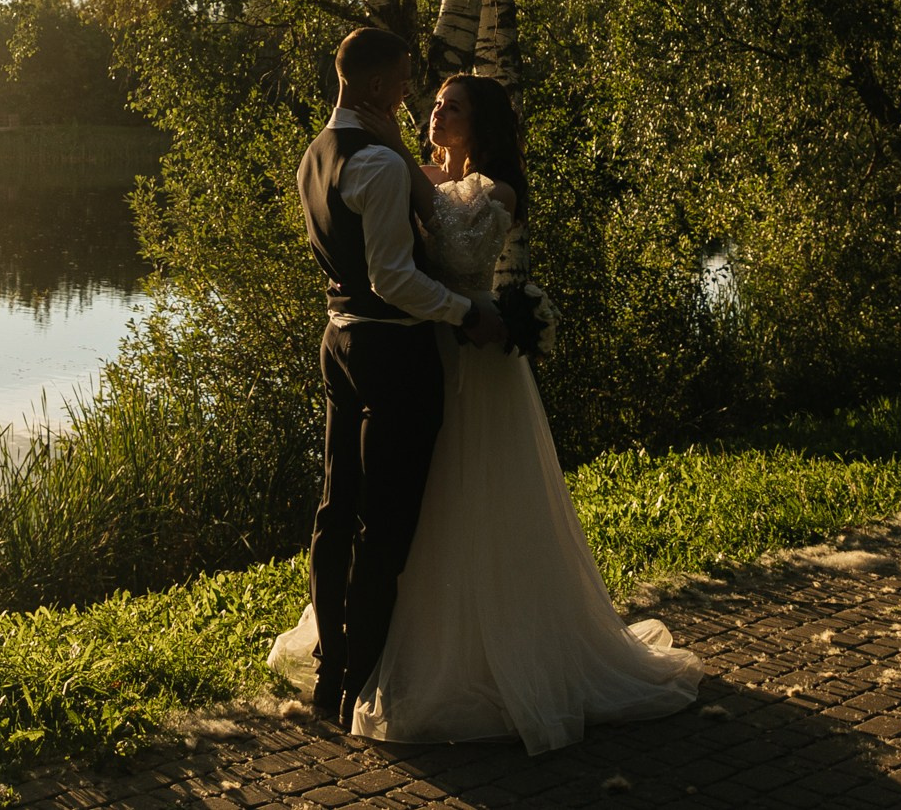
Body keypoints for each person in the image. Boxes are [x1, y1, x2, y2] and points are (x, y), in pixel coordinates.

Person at [275, 66, 703, 753]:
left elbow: (459, 245)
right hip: (419, 346)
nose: (437, 114)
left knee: (474, 495)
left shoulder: (493, 188)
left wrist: (405, 165)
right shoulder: (406, 172)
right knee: (414, 504)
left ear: (481, 124)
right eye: (437, 104)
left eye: (454, 108)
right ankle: (387, 646)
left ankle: (484, 649)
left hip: (472, 352)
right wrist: (404, 165)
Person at [290, 27, 509, 730]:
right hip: (393, 352)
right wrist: (465, 312)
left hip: (338, 340)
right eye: (406, 79)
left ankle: (331, 667)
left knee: (335, 510)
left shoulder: (315, 153)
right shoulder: (382, 164)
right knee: (383, 524)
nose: (412, 93)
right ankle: (357, 681)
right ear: (379, 85)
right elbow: (393, 278)